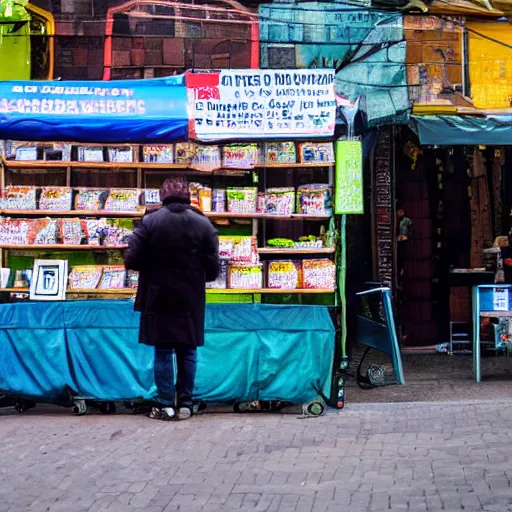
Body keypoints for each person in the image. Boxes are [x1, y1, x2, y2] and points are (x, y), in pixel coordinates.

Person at [124, 178, 219, 421]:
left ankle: (165, 404)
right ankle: (186, 403)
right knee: (188, 350)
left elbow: (132, 260)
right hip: (191, 296)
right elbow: (213, 269)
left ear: (162, 195)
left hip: (158, 294)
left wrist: (154, 266)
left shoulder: (150, 221)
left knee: (163, 350)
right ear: (188, 196)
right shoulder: (203, 223)